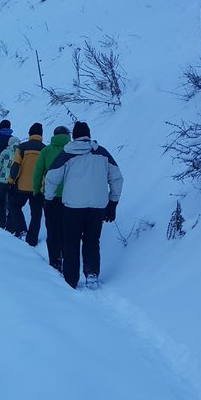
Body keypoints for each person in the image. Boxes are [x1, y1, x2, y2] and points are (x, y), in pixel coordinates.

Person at [43, 121, 123, 290]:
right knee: (92, 240)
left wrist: (49, 199)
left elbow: (52, 177)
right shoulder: (102, 152)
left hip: (72, 206)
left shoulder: (67, 153)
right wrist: (113, 201)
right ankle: (92, 273)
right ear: (89, 135)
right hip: (98, 205)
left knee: (71, 241)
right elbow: (116, 178)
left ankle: (71, 279)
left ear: (74, 135)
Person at [33, 125, 71, 271]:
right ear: (67, 135)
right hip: (71, 197)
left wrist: (36, 190)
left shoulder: (46, 151)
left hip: (50, 196)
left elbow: (38, 172)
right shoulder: (72, 150)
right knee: (67, 229)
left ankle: (55, 260)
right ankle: (67, 257)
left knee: (52, 228)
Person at [7, 123, 46, 244]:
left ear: (29, 134)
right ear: (41, 135)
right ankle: (32, 239)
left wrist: (11, 180)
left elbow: (16, 166)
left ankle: (21, 229)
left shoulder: (22, 147)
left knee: (15, 206)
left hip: (21, 186)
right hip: (38, 188)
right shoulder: (45, 149)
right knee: (36, 214)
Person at [0, 134, 21, 228]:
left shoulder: (5, 151)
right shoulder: (21, 152)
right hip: (15, 181)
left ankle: (1, 223)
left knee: (0, 201)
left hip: (2, 181)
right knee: (11, 203)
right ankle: (10, 225)